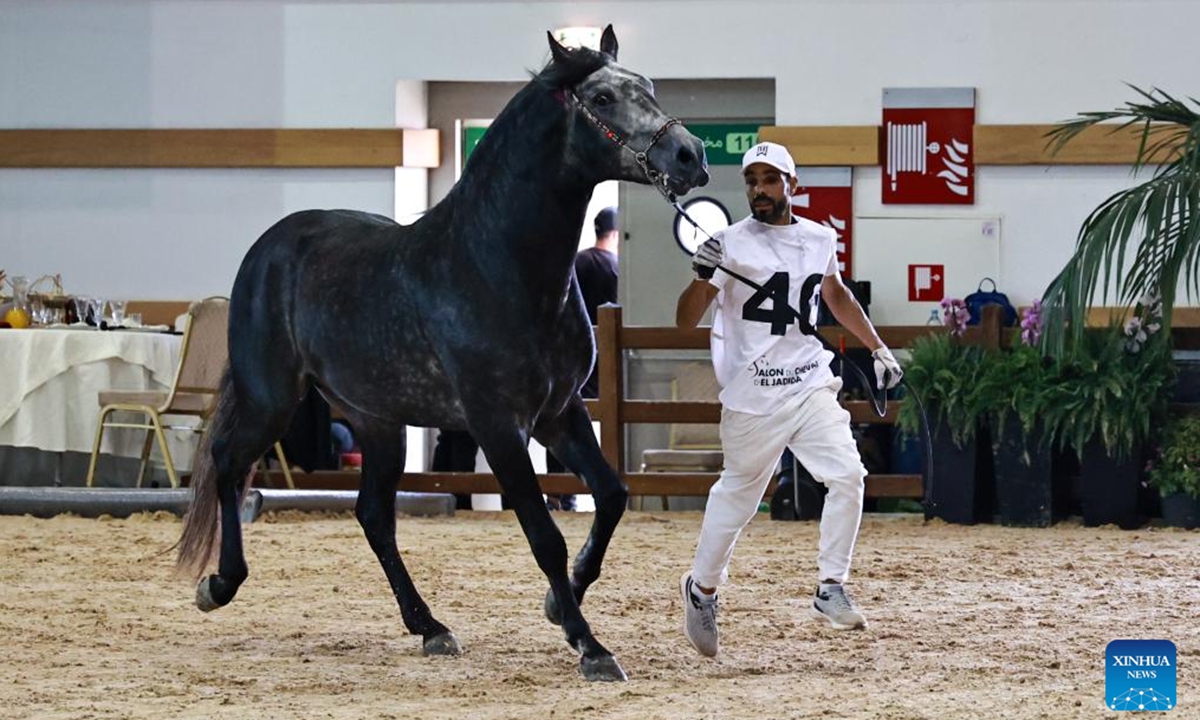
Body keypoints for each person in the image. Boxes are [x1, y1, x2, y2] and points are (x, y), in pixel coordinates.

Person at [675, 141, 903, 657]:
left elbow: (836, 293)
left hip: (808, 384)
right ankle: (702, 588)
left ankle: (831, 586)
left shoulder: (819, 238)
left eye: (770, 179)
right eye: (752, 180)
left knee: (848, 475)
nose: (759, 189)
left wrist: (879, 348)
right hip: (752, 397)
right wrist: (700, 272)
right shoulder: (727, 243)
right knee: (737, 499)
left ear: (792, 186)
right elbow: (686, 319)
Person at [545, 206, 621, 511]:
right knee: (595, 426)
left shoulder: (576, 262)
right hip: (602, 361)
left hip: (567, 356)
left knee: (558, 421)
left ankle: (558, 493)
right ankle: (590, 491)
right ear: (614, 234)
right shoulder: (615, 268)